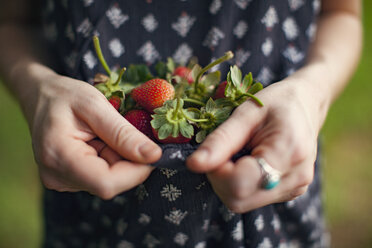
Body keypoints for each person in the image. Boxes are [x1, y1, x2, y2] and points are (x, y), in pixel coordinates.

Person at [0, 0, 362, 247]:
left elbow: (342, 11)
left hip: (269, 200)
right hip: (94, 206)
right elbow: (14, 19)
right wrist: (38, 89)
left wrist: (312, 91)